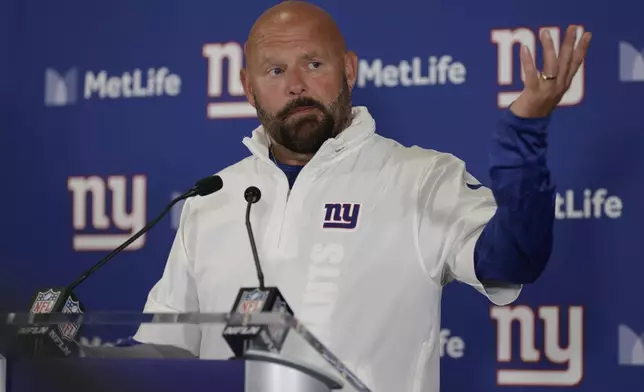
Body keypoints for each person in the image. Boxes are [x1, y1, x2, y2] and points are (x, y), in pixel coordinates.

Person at [132, 1, 591, 391]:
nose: (296, 84)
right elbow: (167, 345)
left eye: (314, 64)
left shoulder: (420, 177)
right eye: (275, 70)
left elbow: (512, 260)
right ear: (248, 87)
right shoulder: (211, 197)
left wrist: (522, 140)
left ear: (348, 69)